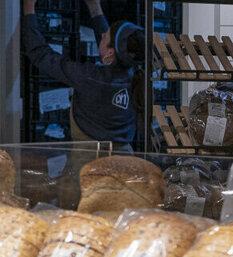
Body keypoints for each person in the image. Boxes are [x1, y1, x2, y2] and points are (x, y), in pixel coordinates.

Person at [21, 0, 145, 149]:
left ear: (110, 53)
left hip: (89, 157)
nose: (102, 34)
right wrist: (95, 8)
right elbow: (114, 49)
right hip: (125, 156)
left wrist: (28, 8)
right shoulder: (134, 76)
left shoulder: (89, 77)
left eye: (105, 36)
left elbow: (40, 55)